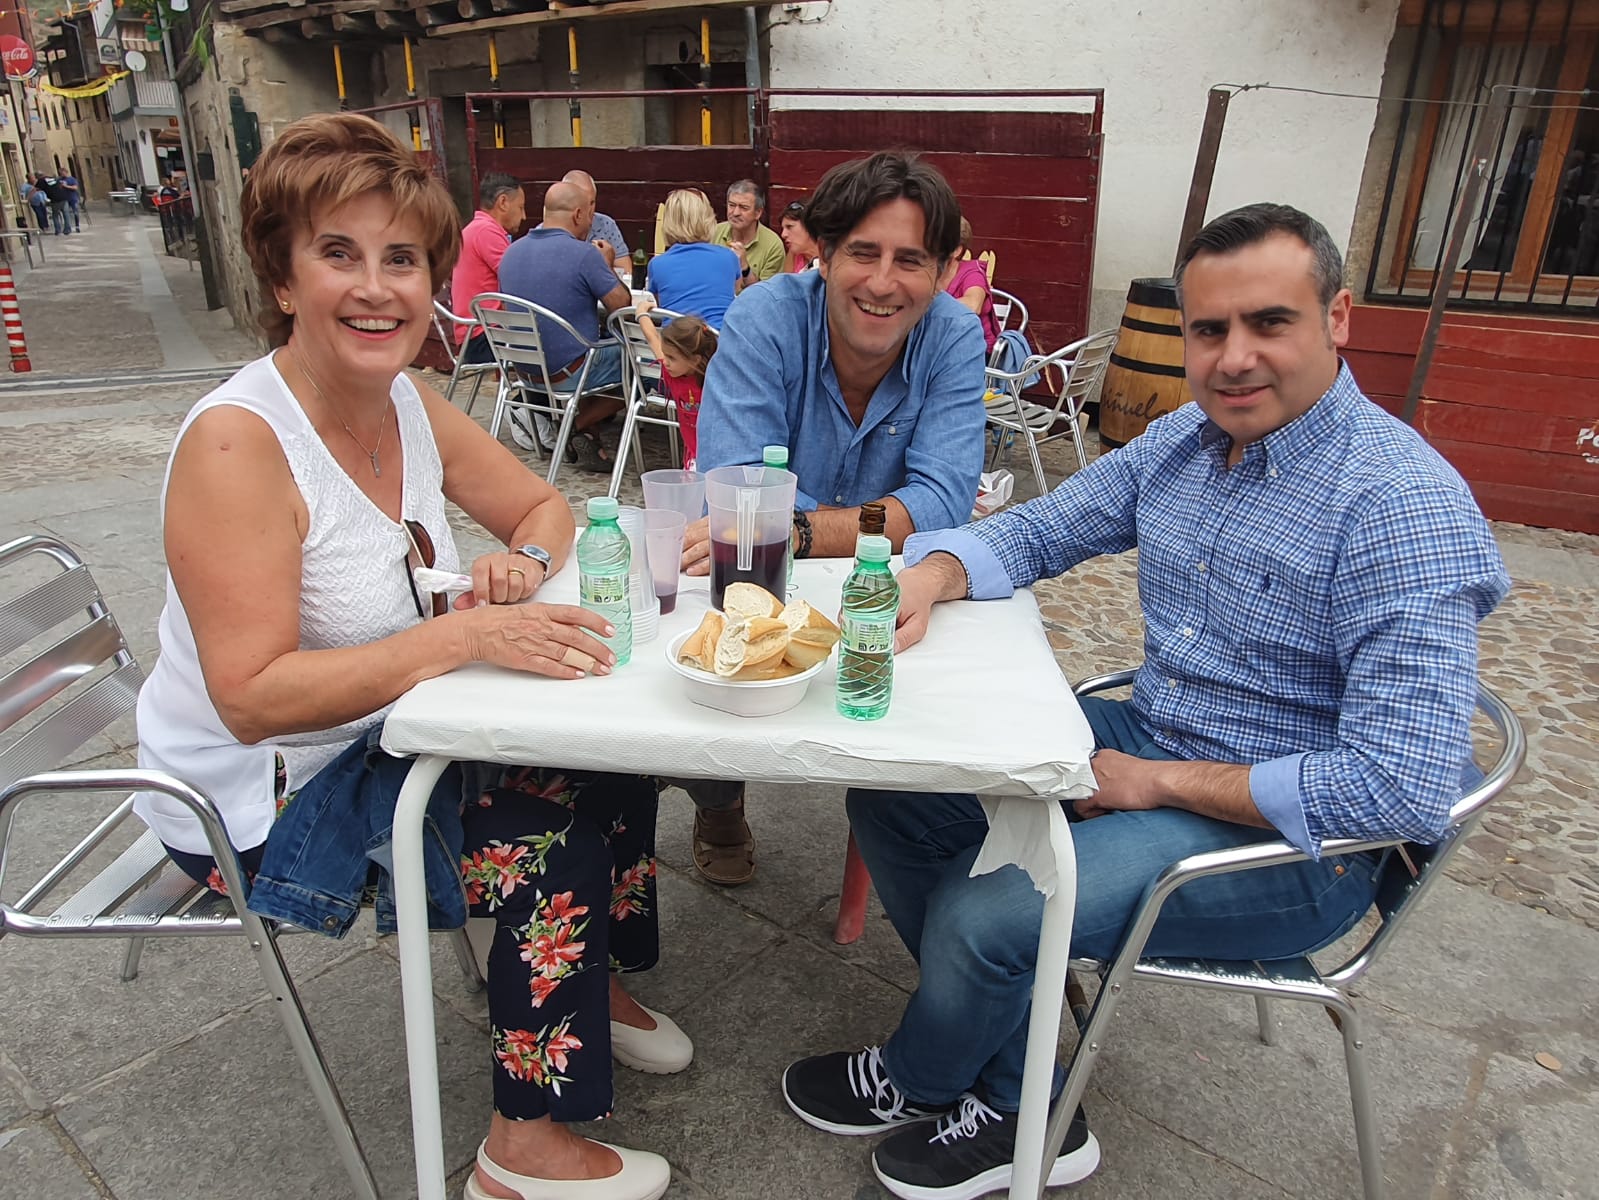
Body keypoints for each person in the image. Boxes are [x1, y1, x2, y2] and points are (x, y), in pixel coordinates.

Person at [782, 203, 1511, 1200]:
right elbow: (1043, 528)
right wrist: (932, 574)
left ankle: (938, 1078)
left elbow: (1400, 786)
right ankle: (1020, 1094)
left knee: (992, 910)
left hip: (1303, 842)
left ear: (1337, 317)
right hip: (1156, 732)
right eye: (1210, 330)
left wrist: (1151, 782)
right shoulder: (1188, 439)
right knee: (900, 792)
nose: (1234, 357)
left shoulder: (1401, 507)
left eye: (1270, 323)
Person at [132, 113, 685, 1200]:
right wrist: (466, 633)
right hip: (262, 801)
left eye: (403, 259)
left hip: (386, 730)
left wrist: (521, 566)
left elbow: (541, 505)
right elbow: (250, 699)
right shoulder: (239, 443)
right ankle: (523, 1146)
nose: (378, 288)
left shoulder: (406, 402)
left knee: (614, 744)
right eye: (339, 253)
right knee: (545, 819)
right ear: (282, 277)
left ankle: (583, 981)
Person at [681, 151, 987, 887]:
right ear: (820, 253)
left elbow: (944, 497)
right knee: (716, 633)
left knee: (921, 697)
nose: (883, 283)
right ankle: (718, 795)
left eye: (910, 260)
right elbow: (736, 489)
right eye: (863, 253)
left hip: (881, 590)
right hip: (763, 571)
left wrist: (806, 529)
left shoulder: (952, 335)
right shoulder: (762, 317)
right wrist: (878, 519)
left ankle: (901, 817)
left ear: (943, 270)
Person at [496, 180, 630, 473]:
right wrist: (605, 265)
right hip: (568, 372)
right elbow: (621, 306)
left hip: (525, 371)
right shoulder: (584, 255)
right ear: (579, 215)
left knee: (588, 344)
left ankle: (587, 437)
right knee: (639, 362)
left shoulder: (511, 252)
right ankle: (574, 426)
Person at [450, 172, 525, 369]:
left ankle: (528, 397)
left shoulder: (475, 228)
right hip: (483, 337)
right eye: (521, 207)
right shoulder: (487, 232)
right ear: (503, 202)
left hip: (475, 334)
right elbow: (520, 280)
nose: (524, 216)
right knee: (553, 343)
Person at [634, 294, 716, 469]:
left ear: (694, 360)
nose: (666, 362)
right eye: (666, 355)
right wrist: (642, 313)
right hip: (693, 452)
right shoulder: (673, 373)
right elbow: (653, 338)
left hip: (717, 452)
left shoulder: (715, 378)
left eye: (672, 357)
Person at [645, 188, 739, 330]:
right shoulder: (728, 257)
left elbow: (660, 306)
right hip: (719, 343)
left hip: (676, 345)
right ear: (707, 218)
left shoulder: (657, 265)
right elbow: (735, 296)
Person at [713, 179, 785, 284]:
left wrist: (744, 267)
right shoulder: (714, 232)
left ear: (758, 213)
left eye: (744, 208)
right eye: (731, 205)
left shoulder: (773, 246)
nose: (736, 212)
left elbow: (766, 295)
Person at [560, 168, 630, 274]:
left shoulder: (606, 225)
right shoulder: (548, 229)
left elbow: (626, 272)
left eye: (592, 202)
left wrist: (606, 263)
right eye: (583, 203)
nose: (589, 209)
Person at [946, 217, 998, 354]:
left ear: (957, 250)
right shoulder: (929, 272)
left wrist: (927, 305)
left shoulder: (972, 273)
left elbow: (973, 305)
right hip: (941, 347)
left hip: (975, 353)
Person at [779, 199, 819, 273]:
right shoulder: (793, 254)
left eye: (789, 227)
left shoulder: (830, 257)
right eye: (783, 228)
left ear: (809, 226)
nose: (783, 234)